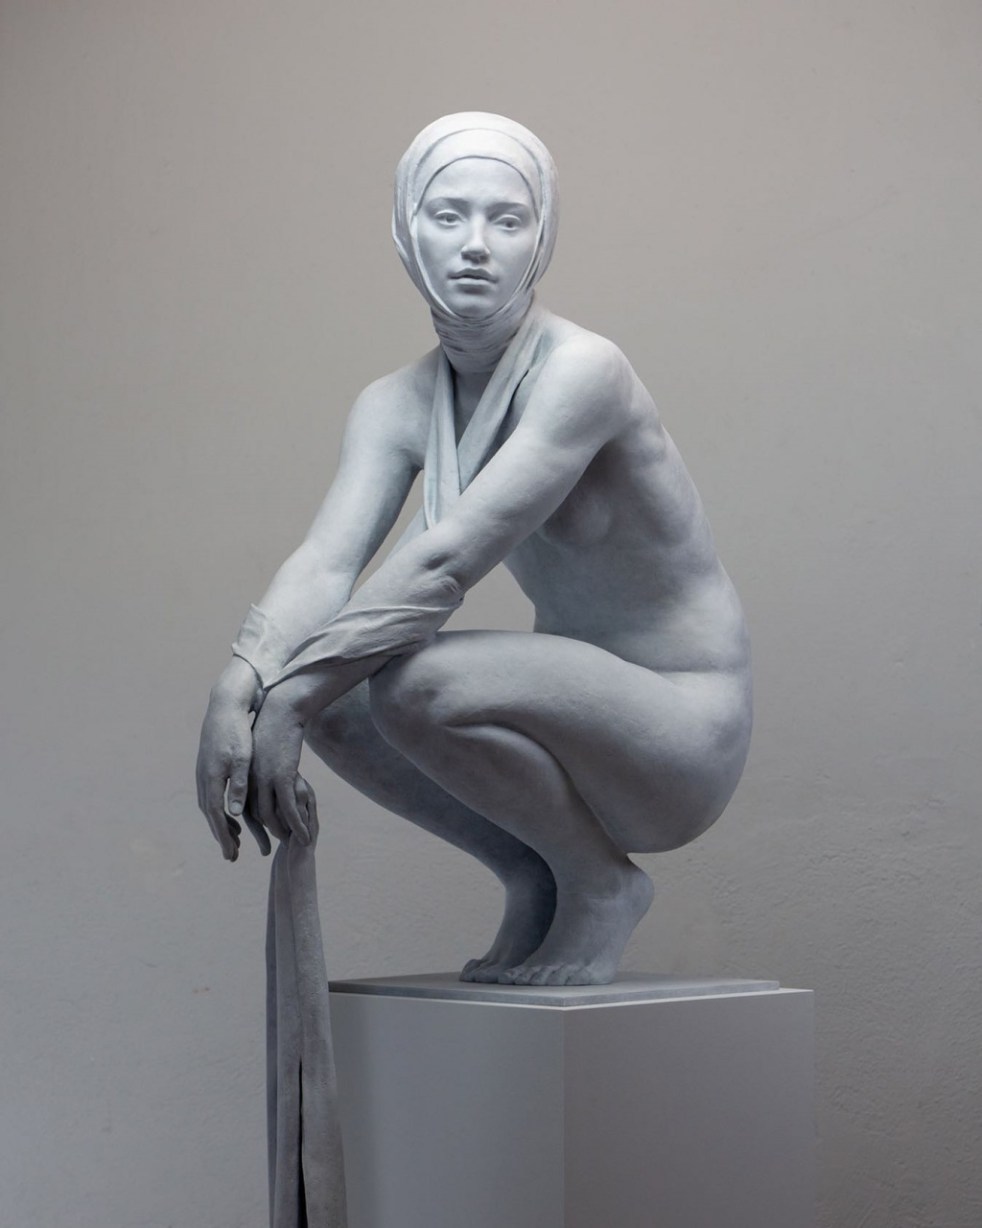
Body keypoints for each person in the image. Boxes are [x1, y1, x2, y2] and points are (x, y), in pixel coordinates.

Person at [196, 113, 752, 987]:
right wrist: (242, 684)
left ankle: (601, 883)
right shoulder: (395, 403)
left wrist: (290, 695)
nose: (477, 245)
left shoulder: (582, 371)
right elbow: (326, 564)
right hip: (567, 723)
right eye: (448, 215)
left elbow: (447, 562)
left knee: (404, 681)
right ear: (405, 231)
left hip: (677, 730)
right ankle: (538, 870)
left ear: (543, 237)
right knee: (339, 700)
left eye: (508, 219)